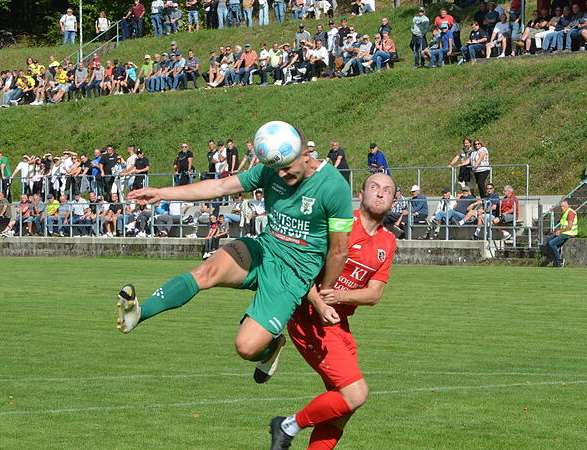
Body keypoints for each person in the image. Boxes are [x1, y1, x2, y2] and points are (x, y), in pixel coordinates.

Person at [116, 126, 353, 385]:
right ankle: (140, 313)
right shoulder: (270, 169)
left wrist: (325, 293)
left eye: (287, 167)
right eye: (277, 169)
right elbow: (220, 186)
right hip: (264, 250)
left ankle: (272, 347)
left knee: (246, 347)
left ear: (306, 152)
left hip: (292, 274)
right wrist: (161, 192)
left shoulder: (334, 187)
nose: (281, 174)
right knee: (206, 272)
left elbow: (339, 251)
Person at [267, 172, 397, 450]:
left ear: (394, 200)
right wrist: (320, 302)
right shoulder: (340, 224)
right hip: (310, 319)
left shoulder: (387, 241)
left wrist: (339, 295)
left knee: (343, 407)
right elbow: (301, 270)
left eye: (387, 190)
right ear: (361, 194)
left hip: (339, 324)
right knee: (356, 393)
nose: (380, 193)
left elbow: (374, 294)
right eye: (374, 187)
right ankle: (287, 425)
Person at [547, 200, 577, 267]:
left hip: (569, 233)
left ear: (567, 206)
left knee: (551, 243)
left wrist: (560, 231)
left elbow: (569, 226)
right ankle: (558, 250)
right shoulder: (566, 212)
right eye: (561, 206)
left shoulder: (570, 213)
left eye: (563, 206)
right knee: (548, 238)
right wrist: (552, 210)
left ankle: (559, 261)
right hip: (565, 232)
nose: (561, 208)